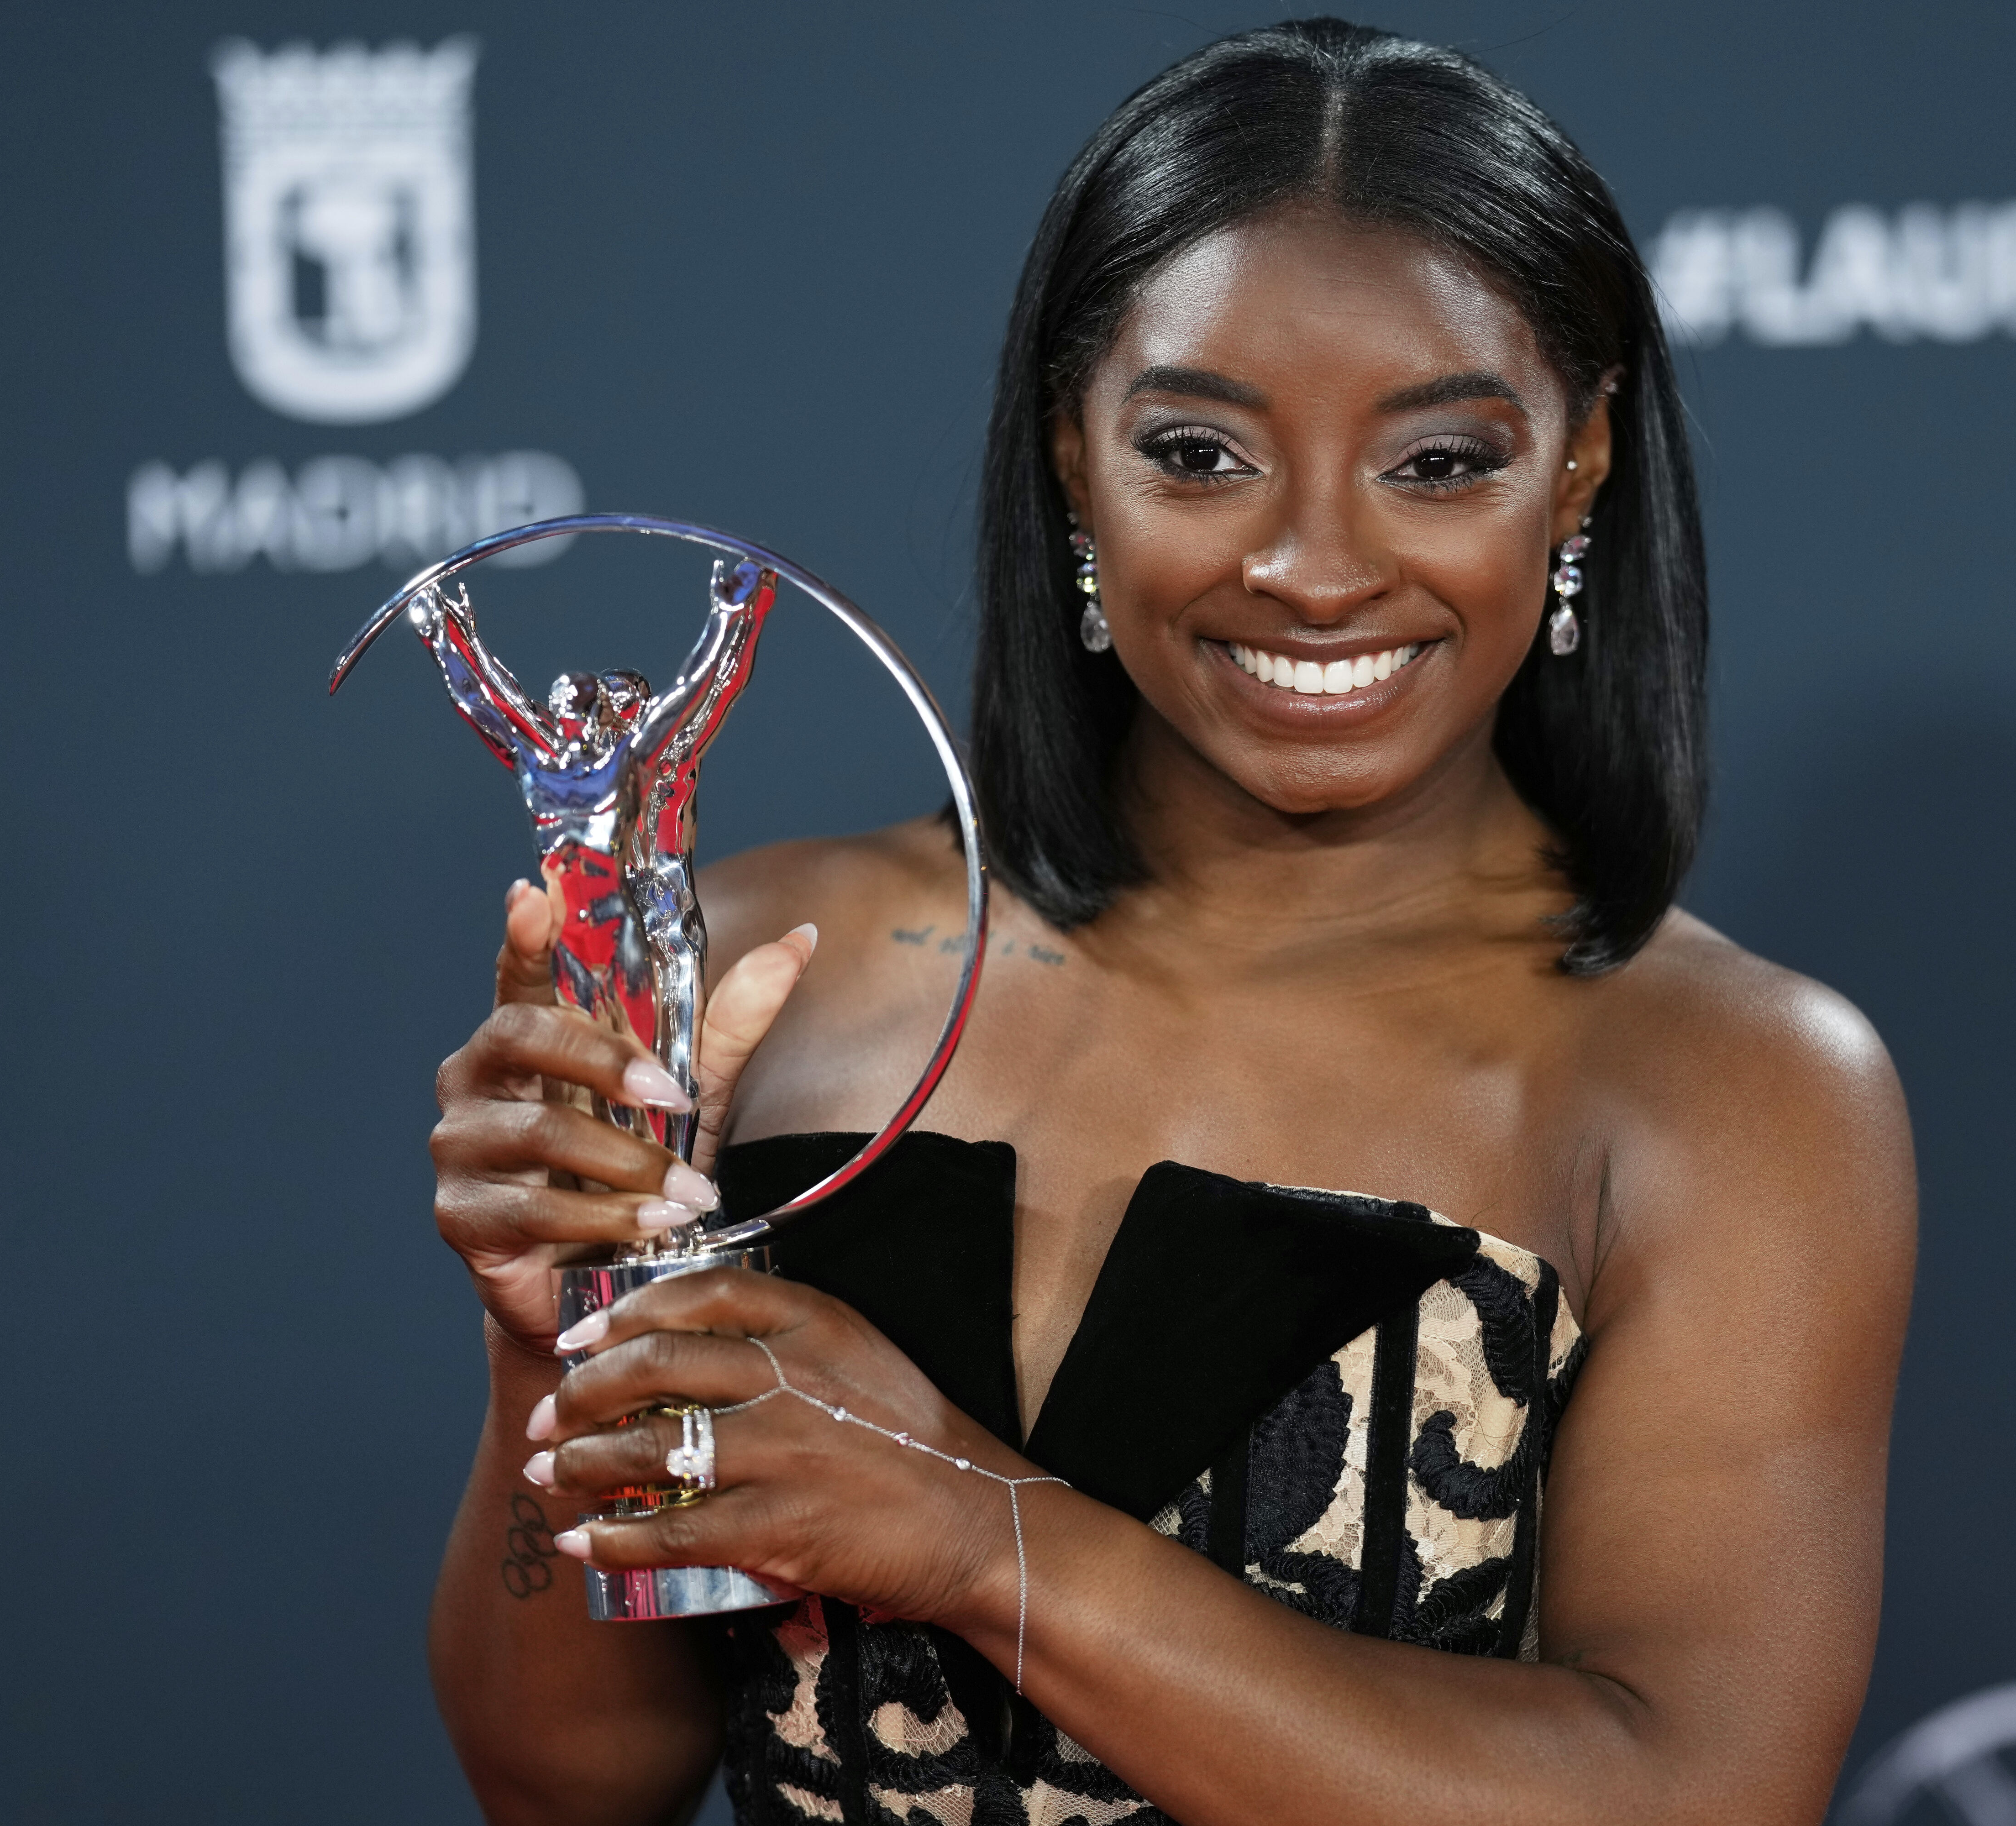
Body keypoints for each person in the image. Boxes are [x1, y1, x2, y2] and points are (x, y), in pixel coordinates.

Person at [423, 19, 1915, 1824]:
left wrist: (977, 1533)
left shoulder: (1736, 1087)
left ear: (1581, 467)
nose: (1312, 562)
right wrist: (549, 1348)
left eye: (1437, 462)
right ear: (1074, 458)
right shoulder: (760, 965)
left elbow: (1695, 1798)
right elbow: (573, 1781)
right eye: (1199, 453)